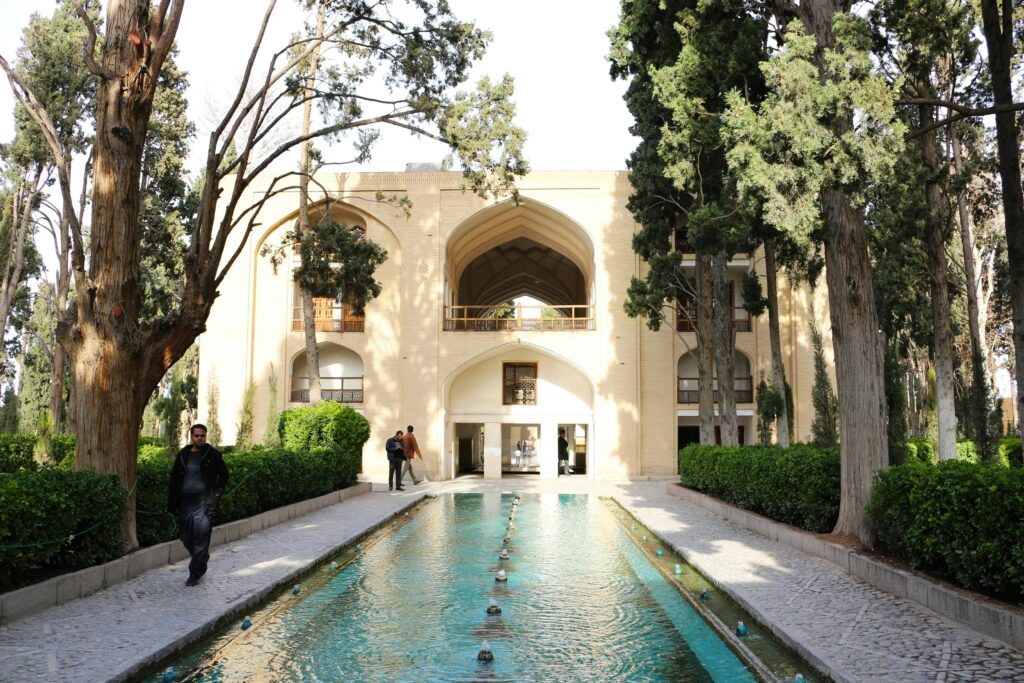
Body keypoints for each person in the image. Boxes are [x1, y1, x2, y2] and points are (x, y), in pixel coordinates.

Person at [167, 424, 229, 586]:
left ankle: (195, 574)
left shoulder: (213, 455)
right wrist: (172, 502)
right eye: (197, 435)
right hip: (185, 502)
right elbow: (174, 480)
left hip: (204, 503)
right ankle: (201, 556)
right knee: (186, 537)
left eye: (202, 435)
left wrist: (215, 496)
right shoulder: (183, 455)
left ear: (206, 436)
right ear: (191, 437)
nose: (200, 438)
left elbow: (224, 475)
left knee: (201, 539)